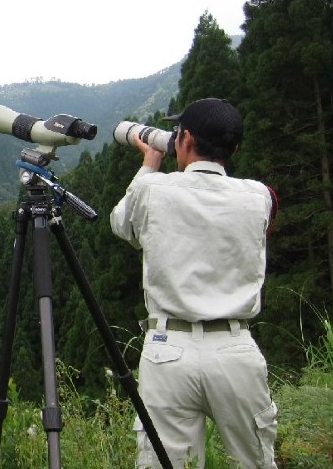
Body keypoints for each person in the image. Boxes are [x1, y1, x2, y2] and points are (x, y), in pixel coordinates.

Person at [110, 98, 279, 469]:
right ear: (234, 148)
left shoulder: (152, 191)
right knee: (256, 463)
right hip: (235, 349)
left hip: (168, 350)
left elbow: (121, 224)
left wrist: (150, 163)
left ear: (184, 138)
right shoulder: (260, 196)